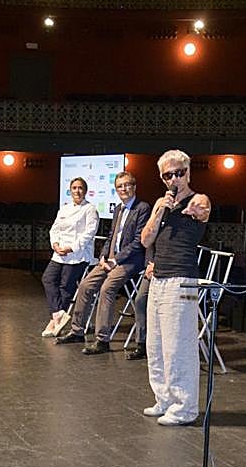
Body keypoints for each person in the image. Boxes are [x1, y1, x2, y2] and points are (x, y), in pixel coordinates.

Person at [139, 150, 212, 426]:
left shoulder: (199, 199)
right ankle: (164, 399)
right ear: (161, 177)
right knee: (156, 344)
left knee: (178, 347)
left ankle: (184, 407)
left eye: (179, 173)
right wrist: (160, 210)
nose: (174, 178)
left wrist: (194, 210)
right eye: (168, 175)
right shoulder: (161, 203)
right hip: (158, 278)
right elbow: (146, 240)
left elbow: (203, 211)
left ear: (188, 172)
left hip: (182, 279)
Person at [55, 172, 150, 354]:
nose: (123, 189)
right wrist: (104, 257)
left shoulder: (143, 208)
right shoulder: (118, 209)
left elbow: (139, 242)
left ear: (134, 187)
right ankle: (77, 331)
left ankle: (102, 340)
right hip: (111, 259)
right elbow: (110, 237)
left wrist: (116, 260)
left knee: (107, 288)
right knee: (85, 285)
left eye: (127, 185)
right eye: (119, 186)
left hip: (130, 261)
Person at [41, 177, 100, 338]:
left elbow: (89, 234)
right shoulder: (64, 209)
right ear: (70, 190)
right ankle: (58, 314)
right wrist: (55, 244)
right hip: (60, 252)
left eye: (80, 188)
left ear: (85, 191)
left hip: (78, 255)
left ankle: (55, 321)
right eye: (74, 188)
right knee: (47, 278)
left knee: (66, 286)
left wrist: (70, 248)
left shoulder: (90, 209)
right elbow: (54, 229)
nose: (77, 191)